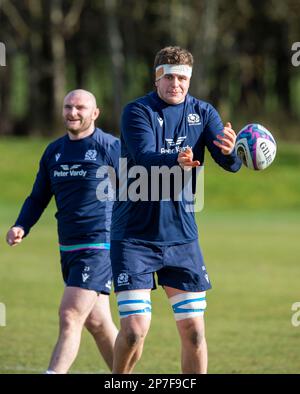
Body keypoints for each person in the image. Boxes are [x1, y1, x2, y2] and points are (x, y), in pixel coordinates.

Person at [110, 46, 242, 374]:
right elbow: (142, 156)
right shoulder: (136, 111)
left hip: (181, 238)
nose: (176, 84)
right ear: (157, 78)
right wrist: (176, 160)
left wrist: (231, 152)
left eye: (182, 78)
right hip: (135, 238)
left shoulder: (204, 112)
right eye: (169, 76)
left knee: (195, 333)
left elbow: (230, 164)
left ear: (190, 80)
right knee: (134, 331)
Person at [6, 89, 119, 374]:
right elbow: (38, 197)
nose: (73, 113)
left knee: (70, 314)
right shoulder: (53, 151)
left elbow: (140, 189)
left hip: (100, 245)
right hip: (68, 246)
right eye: (68, 107)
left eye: (80, 107)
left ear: (95, 113)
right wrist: (22, 225)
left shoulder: (110, 147)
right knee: (97, 323)